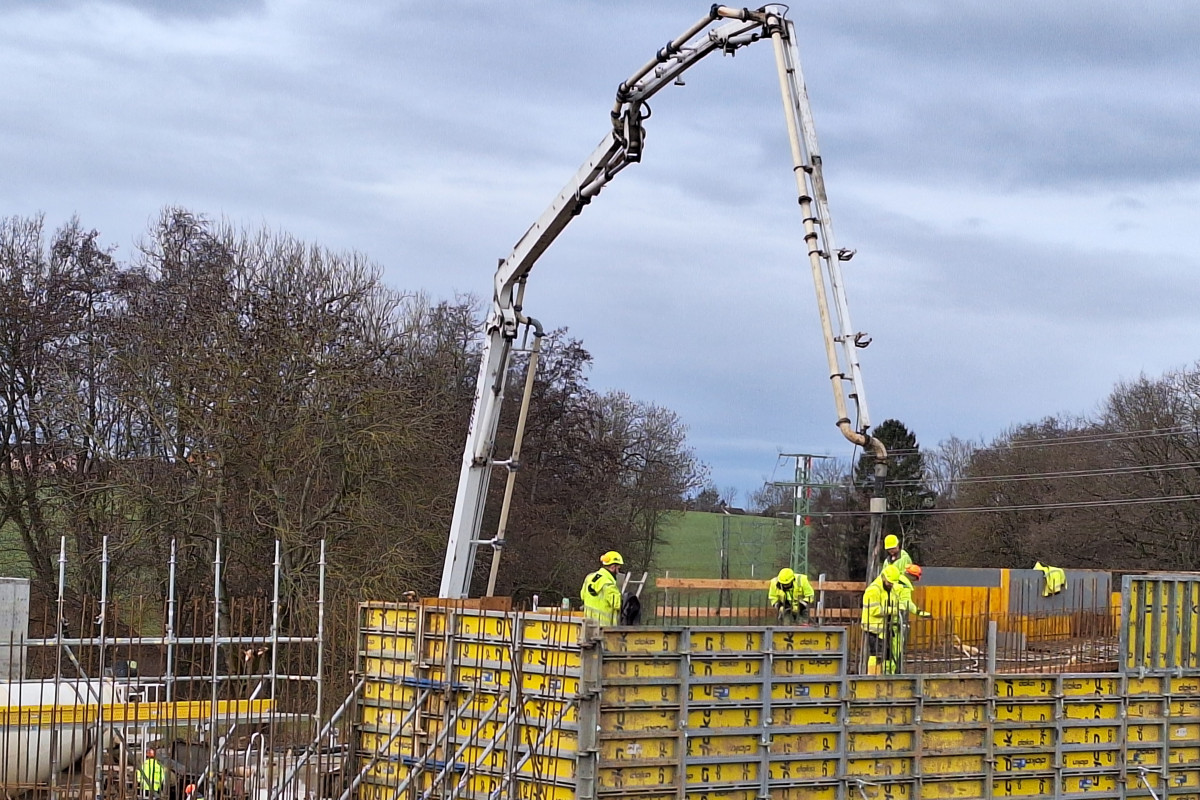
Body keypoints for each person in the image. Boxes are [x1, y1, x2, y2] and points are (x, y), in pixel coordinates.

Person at [861, 565, 902, 675]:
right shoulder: (873, 590)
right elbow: (874, 610)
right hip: (874, 629)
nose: (891, 584)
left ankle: (886, 674)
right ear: (883, 577)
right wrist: (892, 610)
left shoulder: (889, 589)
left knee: (887, 655)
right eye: (889, 582)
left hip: (885, 628)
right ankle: (872, 676)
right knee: (876, 655)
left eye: (893, 583)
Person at [891, 563, 932, 673]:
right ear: (912, 576)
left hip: (891, 617)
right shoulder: (904, 586)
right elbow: (907, 603)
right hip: (896, 618)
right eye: (915, 578)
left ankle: (893, 670)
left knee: (892, 648)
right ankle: (893, 673)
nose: (915, 581)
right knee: (896, 649)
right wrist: (920, 612)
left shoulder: (897, 580)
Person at [580, 551, 624, 626]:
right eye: (618, 568)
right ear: (613, 567)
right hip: (604, 628)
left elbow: (582, 596)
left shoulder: (589, 578)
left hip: (588, 625)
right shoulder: (609, 584)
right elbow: (617, 605)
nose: (618, 572)